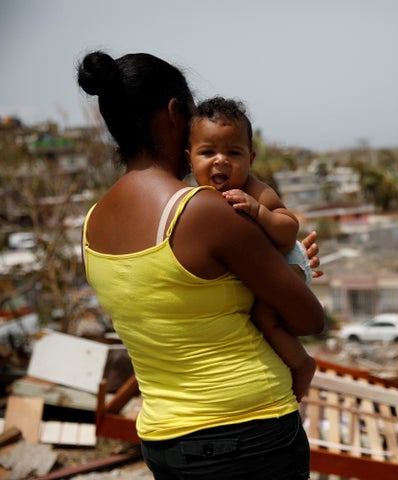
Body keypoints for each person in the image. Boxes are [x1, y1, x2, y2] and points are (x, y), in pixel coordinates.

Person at [77, 50, 324, 479]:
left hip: (163, 442)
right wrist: (293, 272)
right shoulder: (203, 211)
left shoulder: (92, 224)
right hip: (250, 435)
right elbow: (308, 318)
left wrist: (282, 259)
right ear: (176, 116)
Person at [187, 96, 316, 402]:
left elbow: (288, 231)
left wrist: (259, 211)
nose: (221, 160)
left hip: (290, 264)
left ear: (251, 158)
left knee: (262, 315)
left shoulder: (256, 191)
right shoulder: (198, 196)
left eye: (234, 152)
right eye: (208, 152)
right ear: (189, 158)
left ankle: (302, 364)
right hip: (265, 267)